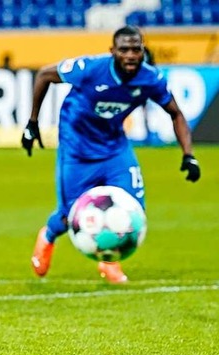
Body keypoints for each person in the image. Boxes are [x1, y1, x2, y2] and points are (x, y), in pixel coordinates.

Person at [21, 25, 200, 284]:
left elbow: (176, 113)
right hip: (77, 150)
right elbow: (44, 75)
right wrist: (32, 123)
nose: (130, 55)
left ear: (143, 51)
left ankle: (109, 261)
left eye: (136, 49)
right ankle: (48, 236)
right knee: (70, 216)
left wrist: (188, 155)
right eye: (124, 49)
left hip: (115, 149)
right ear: (112, 51)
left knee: (132, 209)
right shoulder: (90, 69)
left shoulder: (151, 79)